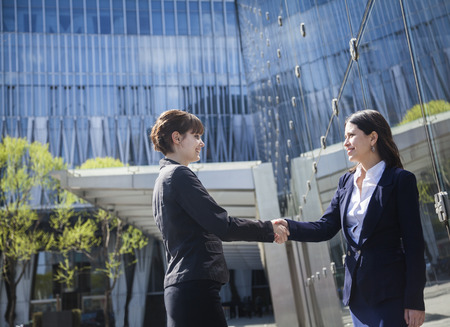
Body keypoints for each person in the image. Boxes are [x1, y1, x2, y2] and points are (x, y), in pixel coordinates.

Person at [277, 109, 426, 327]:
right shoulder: (345, 182)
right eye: (344, 137)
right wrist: (287, 226)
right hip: (358, 296)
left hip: (391, 294)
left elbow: (414, 244)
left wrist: (415, 300)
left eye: (351, 135)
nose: (345, 142)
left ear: (373, 137)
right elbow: (325, 228)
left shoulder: (400, 180)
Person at [150, 109, 288, 327]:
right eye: (195, 136)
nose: (201, 143)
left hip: (184, 288)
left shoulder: (162, 180)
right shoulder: (179, 175)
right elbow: (221, 225)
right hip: (195, 289)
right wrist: (268, 228)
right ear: (176, 138)